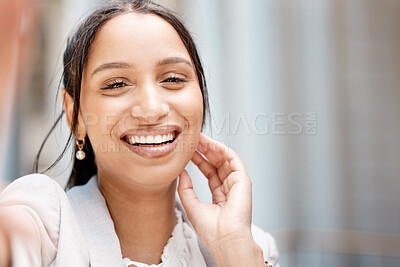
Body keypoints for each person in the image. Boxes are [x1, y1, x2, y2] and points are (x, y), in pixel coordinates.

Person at [0, 0, 279, 266]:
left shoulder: (254, 246)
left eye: (172, 79)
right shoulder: (44, 221)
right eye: (116, 84)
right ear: (76, 116)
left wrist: (235, 250)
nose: (151, 109)